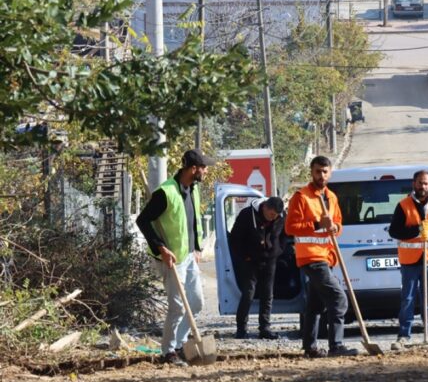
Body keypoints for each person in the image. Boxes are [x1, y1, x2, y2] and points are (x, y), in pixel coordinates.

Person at [136, 149, 215, 367]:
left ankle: (180, 344)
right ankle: (168, 351)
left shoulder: (193, 188)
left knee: (197, 303)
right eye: (204, 167)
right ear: (193, 169)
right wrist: (161, 248)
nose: (206, 171)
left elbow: (193, 221)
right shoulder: (165, 193)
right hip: (170, 258)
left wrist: (197, 247)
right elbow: (143, 221)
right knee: (177, 307)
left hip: (188, 256)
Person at [285, 156, 359, 358]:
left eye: (325, 171)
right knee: (339, 298)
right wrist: (318, 224)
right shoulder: (301, 197)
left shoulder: (332, 197)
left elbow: (338, 225)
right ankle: (337, 345)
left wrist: (334, 227)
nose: (321, 175)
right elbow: (290, 227)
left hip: (327, 256)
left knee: (316, 305)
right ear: (312, 171)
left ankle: (310, 347)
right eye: (318, 171)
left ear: (330, 172)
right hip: (311, 257)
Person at [389, 170, 428, 350]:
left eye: (426, 183)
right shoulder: (403, 205)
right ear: (413, 184)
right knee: (408, 298)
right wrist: (416, 231)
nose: (422, 186)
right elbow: (394, 231)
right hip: (409, 260)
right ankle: (403, 335)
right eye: (419, 183)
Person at [228, 196, 286, 340]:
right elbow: (235, 238)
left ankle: (265, 328)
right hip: (250, 260)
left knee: (268, 294)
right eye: (271, 215)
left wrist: (279, 251)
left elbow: (285, 235)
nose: (273, 219)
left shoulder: (281, 217)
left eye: (276, 216)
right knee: (248, 293)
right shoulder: (247, 215)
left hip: (270, 259)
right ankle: (241, 329)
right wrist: (244, 256)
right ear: (265, 207)